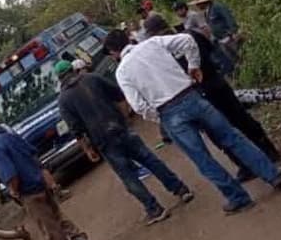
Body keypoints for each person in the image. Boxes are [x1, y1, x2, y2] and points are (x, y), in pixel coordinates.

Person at [104, 29, 281, 215]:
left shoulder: (122, 72)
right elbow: (187, 40)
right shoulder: (153, 43)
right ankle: (273, 175)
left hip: (169, 112)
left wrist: (159, 117)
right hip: (191, 96)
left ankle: (238, 198)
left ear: (113, 52)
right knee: (233, 138)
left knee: (203, 159)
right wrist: (194, 66)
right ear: (128, 39)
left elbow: (138, 105)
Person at [55, 59, 194, 225]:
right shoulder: (92, 79)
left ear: (60, 78)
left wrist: (88, 150)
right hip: (120, 128)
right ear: (73, 69)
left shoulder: (64, 100)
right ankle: (180, 189)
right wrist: (125, 118)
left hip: (103, 140)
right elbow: (120, 96)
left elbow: (76, 130)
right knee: (149, 159)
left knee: (128, 176)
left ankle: (155, 209)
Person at [144, 14, 281, 181]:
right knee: (238, 120)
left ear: (155, 34)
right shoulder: (190, 36)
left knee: (222, 130)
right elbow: (210, 49)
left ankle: (251, 162)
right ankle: (265, 153)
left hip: (201, 93)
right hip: (214, 84)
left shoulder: (165, 51)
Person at [0, 105, 71, 200]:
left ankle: (56, 190)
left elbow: (15, 137)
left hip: (22, 152)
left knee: (40, 168)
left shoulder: (2, 126)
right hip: (15, 159)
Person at [189, 0, 242, 73]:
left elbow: (229, 18)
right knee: (233, 58)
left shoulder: (217, 7)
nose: (197, 6)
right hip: (221, 39)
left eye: (198, 4)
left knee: (239, 56)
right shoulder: (207, 11)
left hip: (228, 37)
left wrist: (233, 33)